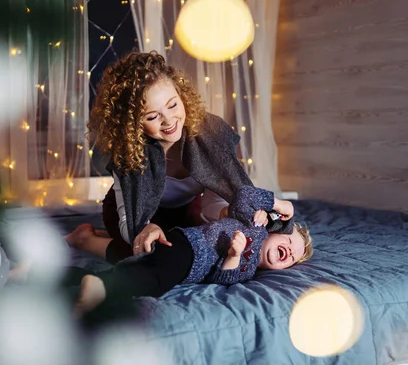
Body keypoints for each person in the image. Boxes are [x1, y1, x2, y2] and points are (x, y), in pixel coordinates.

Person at [65, 51, 294, 263]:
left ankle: (116, 235)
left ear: (182, 96)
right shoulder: (129, 153)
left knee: (204, 244)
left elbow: (218, 197)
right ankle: (85, 240)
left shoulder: (211, 135)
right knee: (151, 256)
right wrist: (147, 227)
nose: (169, 120)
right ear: (132, 124)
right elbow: (129, 219)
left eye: (173, 105)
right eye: (153, 116)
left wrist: (227, 211)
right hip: (131, 214)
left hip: (184, 210)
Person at [73, 185, 313, 316]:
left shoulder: (248, 271)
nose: (290, 252)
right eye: (290, 242)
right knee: (156, 279)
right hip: (190, 245)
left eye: (292, 257)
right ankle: (104, 286)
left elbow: (222, 279)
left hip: (186, 269)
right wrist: (280, 204)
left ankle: (72, 273)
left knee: (140, 263)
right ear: (275, 230)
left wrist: (233, 256)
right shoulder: (255, 225)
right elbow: (243, 194)